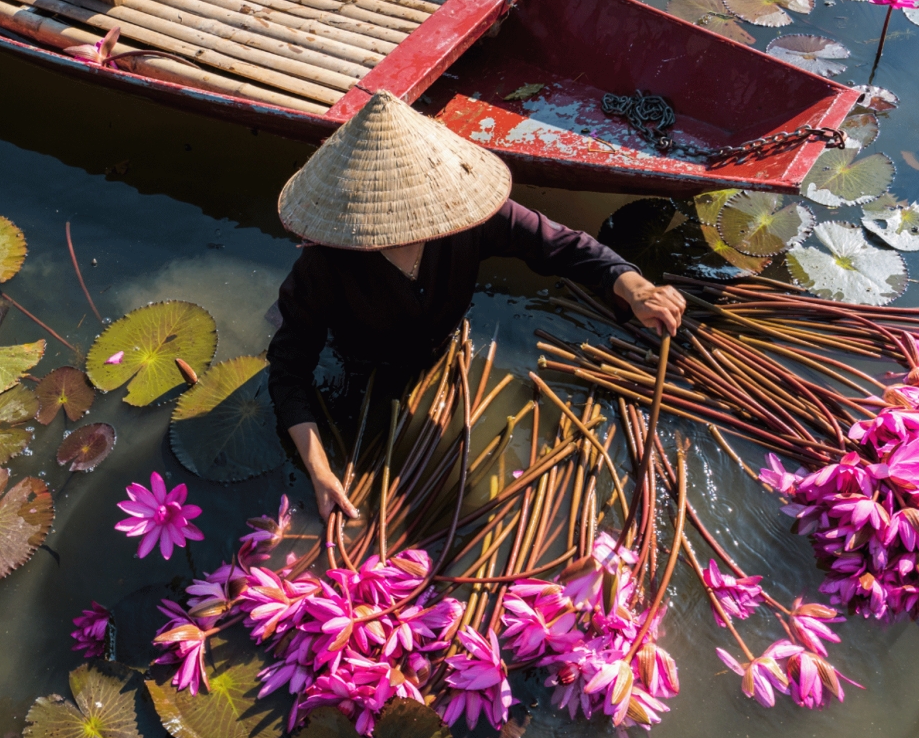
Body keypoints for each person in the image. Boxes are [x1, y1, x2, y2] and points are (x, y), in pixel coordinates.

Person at [268, 90, 685, 520]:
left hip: (439, 345)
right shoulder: (325, 262)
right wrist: (319, 469)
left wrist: (631, 284)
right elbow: (287, 371)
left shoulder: (466, 216)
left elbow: (561, 245)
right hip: (364, 363)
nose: (406, 226)